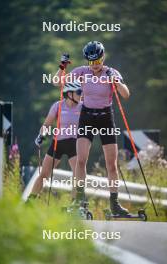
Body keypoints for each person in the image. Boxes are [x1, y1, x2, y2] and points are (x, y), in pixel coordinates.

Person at [54, 41, 130, 216]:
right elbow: (58, 82)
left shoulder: (111, 72)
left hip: (105, 118)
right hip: (87, 116)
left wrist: (115, 81)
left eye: (97, 62)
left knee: (111, 164)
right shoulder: (82, 72)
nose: (95, 66)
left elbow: (125, 95)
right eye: (91, 62)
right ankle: (79, 201)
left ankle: (115, 204)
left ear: (103, 58)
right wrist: (62, 65)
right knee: (81, 161)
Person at [28, 81, 82, 199]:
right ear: (69, 94)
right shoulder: (57, 106)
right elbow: (46, 125)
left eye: (81, 92)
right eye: (79, 92)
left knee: (78, 174)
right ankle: (30, 202)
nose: (81, 94)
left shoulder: (82, 107)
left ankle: (75, 203)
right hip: (58, 143)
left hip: (74, 143)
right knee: (44, 174)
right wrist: (41, 135)